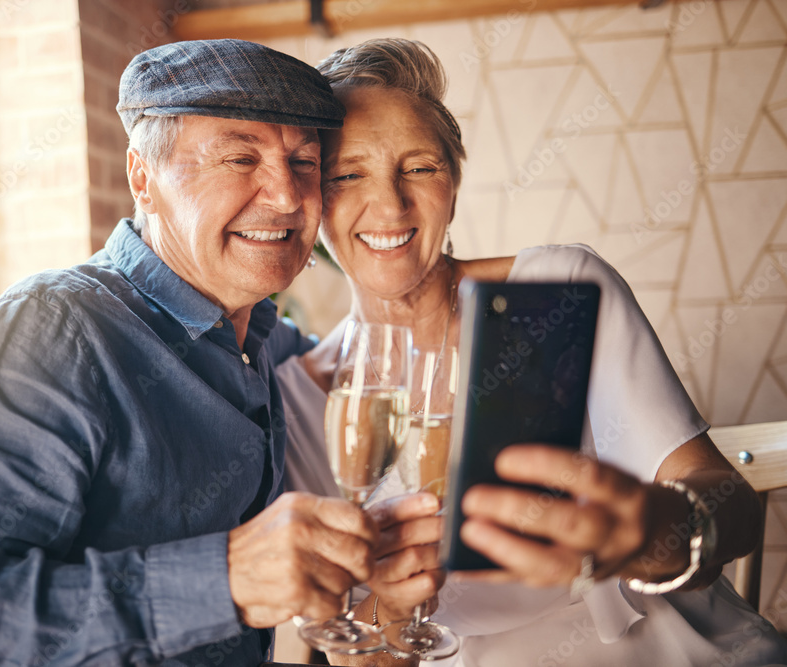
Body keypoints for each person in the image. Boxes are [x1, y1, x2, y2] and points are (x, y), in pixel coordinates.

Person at [0, 39, 436, 666]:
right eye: (240, 158)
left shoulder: (258, 334)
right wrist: (228, 579)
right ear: (143, 178)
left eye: (304, 163)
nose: (287, 197)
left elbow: (378, 350)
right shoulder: (48, 335)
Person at [277, 38, 787, 665]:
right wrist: (390, 609)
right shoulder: (300, 399)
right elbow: (360, 655)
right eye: (347, 174)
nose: (390, 204)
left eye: (420, 167)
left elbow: (733, 508)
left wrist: (651, 531)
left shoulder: (560, 290)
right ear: (313, 202)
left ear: (454, 185)